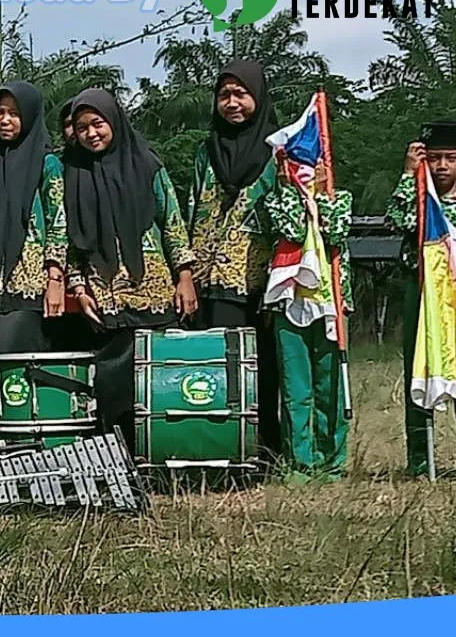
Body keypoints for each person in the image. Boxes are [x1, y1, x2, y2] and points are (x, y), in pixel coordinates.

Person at [64, 89, 197, 448]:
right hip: (104, 295)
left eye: (98, 124)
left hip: (153, 292)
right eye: (82, 127)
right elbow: (71, 243)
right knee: (112, 380)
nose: (91, 134)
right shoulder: (72, 174)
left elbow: (172, 221)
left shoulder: (147, 165)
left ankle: (164, 451)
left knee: (160, 378)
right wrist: (79, 289)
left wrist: (184, 277)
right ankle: (118, 456)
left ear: (114, 122)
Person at [187, 60, 281, 455]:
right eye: (224, 95)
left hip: (257, 280)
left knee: (261, 370)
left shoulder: (278, 152)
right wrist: (188, 272)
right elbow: (192, 208)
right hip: (209, 281)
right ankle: (220, 446)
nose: (232, 103)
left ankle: (264, 449)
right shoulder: (206, 152)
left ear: (257, 98)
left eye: (240, 94)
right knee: (215, 370)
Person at [261, 153, 353, 481]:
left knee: (331, 387)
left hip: (330, 304)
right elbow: (292, 230)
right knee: (295, 387)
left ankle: (332, 461)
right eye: (294, 165)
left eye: (308, 164)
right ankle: (301, 462)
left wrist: (323, 194)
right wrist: (289, 188)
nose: (303, 171)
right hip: (290, 303)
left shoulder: (339, 199)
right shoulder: (276, 201)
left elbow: (335, 232)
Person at [387, 126, 456, 477]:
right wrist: (408, 176)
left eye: (451, 159)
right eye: (435, 158)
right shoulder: (419, 197)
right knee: (419, 369)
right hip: (421, 290)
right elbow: (397, 220)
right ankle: (420, 459)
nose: (442, 166)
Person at [0, 81, 67, 354]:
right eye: (0, 112)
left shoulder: (46, 163)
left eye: (14, 114)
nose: (5, 120)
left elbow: (58, 221)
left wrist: (55, 279)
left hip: (31, 287)